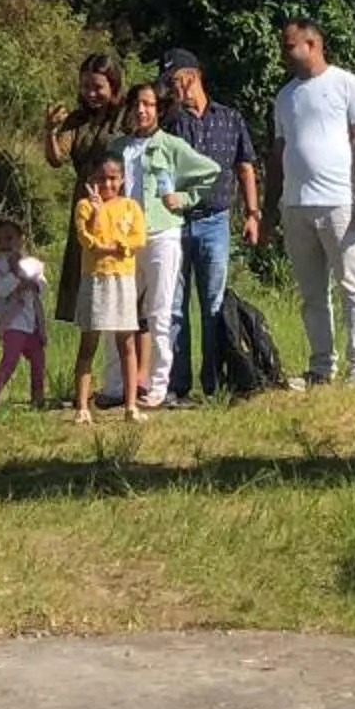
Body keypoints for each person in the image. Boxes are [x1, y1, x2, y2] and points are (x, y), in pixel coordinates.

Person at [270, 16, 355, 386]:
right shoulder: (285, 96)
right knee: (312, 293)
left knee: (352, 285)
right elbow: (278, 152)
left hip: (338, 203)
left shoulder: (346, 85)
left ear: (312, 45)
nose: (284, 53)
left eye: (290, 46)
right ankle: (321, 367)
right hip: (296, 205)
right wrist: (272, 209)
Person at [154, 48, 260, 401]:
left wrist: (252, 213)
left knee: (213, 304)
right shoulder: (169, 122)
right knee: (174, 305)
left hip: (215, 221)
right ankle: (176, 385)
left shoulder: (229, 118)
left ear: (191, 75)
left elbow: (245, 166)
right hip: (175, 222)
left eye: (174, 81)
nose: (172, 89)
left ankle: (214, 382)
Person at [114, 82, 222, 409]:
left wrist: (185, 198)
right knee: (119, 312)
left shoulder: (171, 146)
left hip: (162, 234)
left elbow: (211, 171)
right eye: (136, 105)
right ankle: (117, 384)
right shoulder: (118, 147)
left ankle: (159, 386)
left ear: (159, 110)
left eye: (148, 104)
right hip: (124, 238)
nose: (142, 111)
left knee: (160, 311)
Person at [42, 54, 124, 365]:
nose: (91, 93)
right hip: (86, 206)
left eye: (98, 87)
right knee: (88, 282)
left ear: (113, 85)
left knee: (119, 278)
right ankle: (87, 368)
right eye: (86, 86)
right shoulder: (77, 120)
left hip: (117, 205)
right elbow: (55, 158)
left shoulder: (123, 116)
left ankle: (124, 371)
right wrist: (50, 130)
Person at [68, 154, 147, 426]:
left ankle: (131, 405)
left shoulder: (131, 207)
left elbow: (138, 238)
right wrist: (98, 211)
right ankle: (81, 406)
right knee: (88, 342)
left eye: (113, 178)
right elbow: (87, 238)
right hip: (96, 279)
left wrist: (118, 246)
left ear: (122, 179)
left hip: (123, 279)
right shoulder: (84, 206)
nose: (107, 184)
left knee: (126, 342)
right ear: (92, 181)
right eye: (101, 179)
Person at [0, 218, 50, 407]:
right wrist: (17, 277)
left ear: (20, 239)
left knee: (38, 360)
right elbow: (1, 289)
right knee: (10, 360)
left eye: (9, 238)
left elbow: (41, 285)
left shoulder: (31, 263)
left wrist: (32, 282)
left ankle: (38, 397)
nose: (4, 244)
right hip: (12, 321)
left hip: (32, 322)